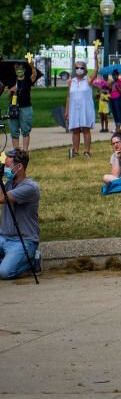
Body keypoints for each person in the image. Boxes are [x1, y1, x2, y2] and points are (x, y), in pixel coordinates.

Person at [0, 148, 40, 280]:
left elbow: (2, 198)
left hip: (23, 240)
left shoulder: (30, 187)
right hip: (3, 237)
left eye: (6, 166)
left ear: (19, 167)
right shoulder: (9, 183)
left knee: (4, 273)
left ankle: (33, 261)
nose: (4, 169)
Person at [5, 58, 43, 151]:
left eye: (20, 69)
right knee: (14, 131)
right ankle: (16, 152)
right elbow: (8, 96)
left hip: (25, 108)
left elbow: (34, 75)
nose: (18, 70)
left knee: (25, 131)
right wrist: (11, 90)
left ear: (24, 70)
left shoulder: (28, 79)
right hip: (13, 108)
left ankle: (24, 152)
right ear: (14, 70)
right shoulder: (12, 80)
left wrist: (32, 66)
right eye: (17, 69)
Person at [67, 59, 95, 158]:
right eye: (77, 68)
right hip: (74, 109)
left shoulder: (88, 79)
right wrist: (67, 111)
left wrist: (96, 59)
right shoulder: (71, 81)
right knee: (75, 130)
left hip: (85, 108)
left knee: (85, 129)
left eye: (81, 68)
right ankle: (75, 151)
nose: (79, 69)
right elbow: (68, 97)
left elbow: (96, 71)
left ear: (85, 69)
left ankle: (86, 151)